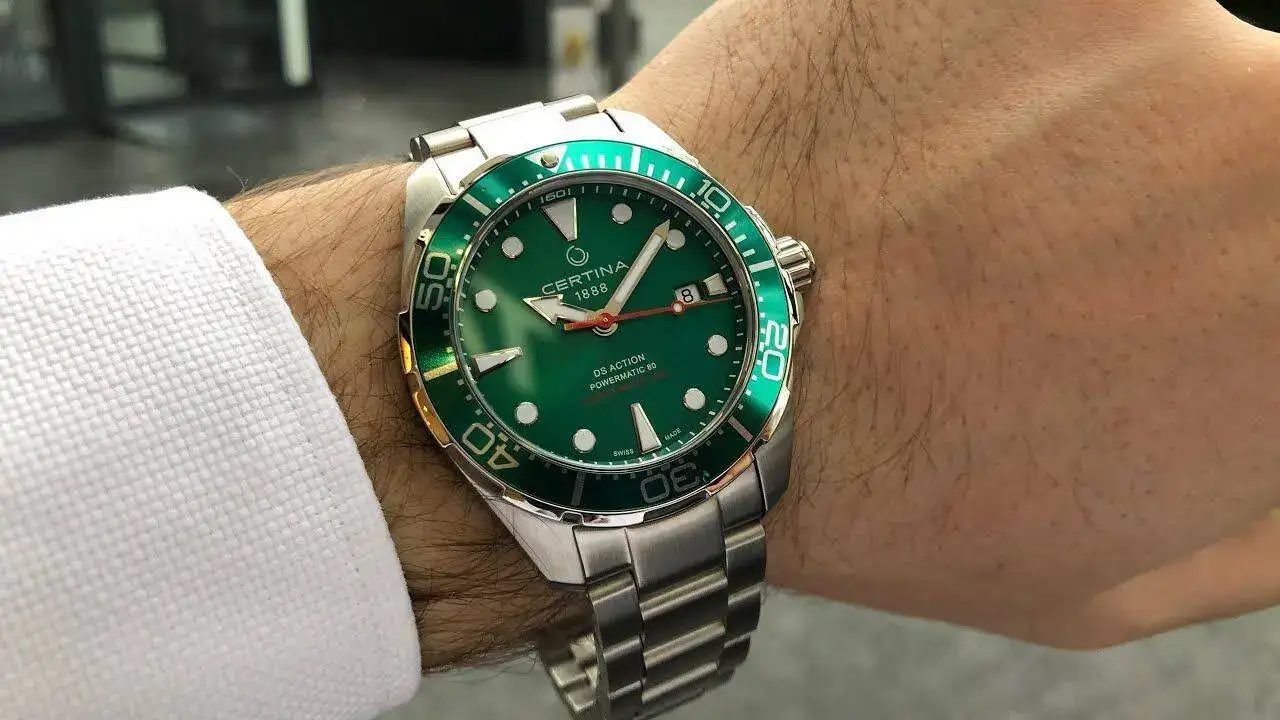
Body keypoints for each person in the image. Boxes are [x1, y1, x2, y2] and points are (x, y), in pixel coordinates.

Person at [3, 0, 1279, 717]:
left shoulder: (736, 292)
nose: (601, 322)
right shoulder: (457, 299)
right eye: (591, 321)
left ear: (773, 272)